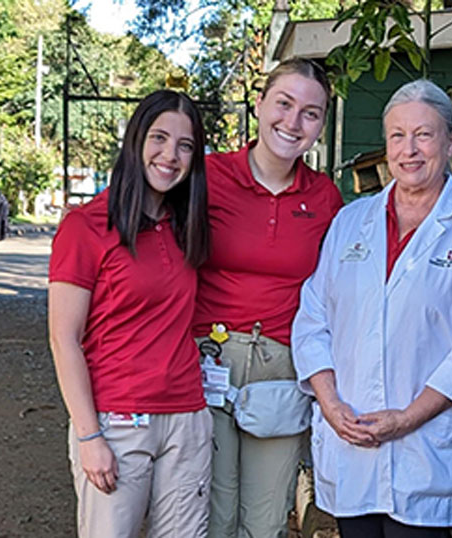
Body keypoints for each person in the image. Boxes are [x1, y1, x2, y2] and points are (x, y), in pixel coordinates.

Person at [291, 79, 452, 538]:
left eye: (424, 134)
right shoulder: (350, 223)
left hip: (425, 452)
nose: (409, 149)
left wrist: (407, 419)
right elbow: (313, 318)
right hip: (349, 443)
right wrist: (330, 404)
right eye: (397, 135)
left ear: (451, 141)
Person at [48, 90, 212, 537]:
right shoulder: (86, 226)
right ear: (136, 140)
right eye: (159, 138)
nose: (170, 155)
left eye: (185, 145)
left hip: (186, 419)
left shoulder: (187, 226)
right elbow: (64, 339)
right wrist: (88, 436)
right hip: (116, 421)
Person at [192, 57, 343, 538]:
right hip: (205, 359)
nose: (293, 122)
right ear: (259, 105)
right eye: (283, 103)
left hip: (281, 364)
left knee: (266, 519)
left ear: (321, 125)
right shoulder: (207, 177)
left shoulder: (325, 199)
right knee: (210, 513)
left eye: (311, 112)